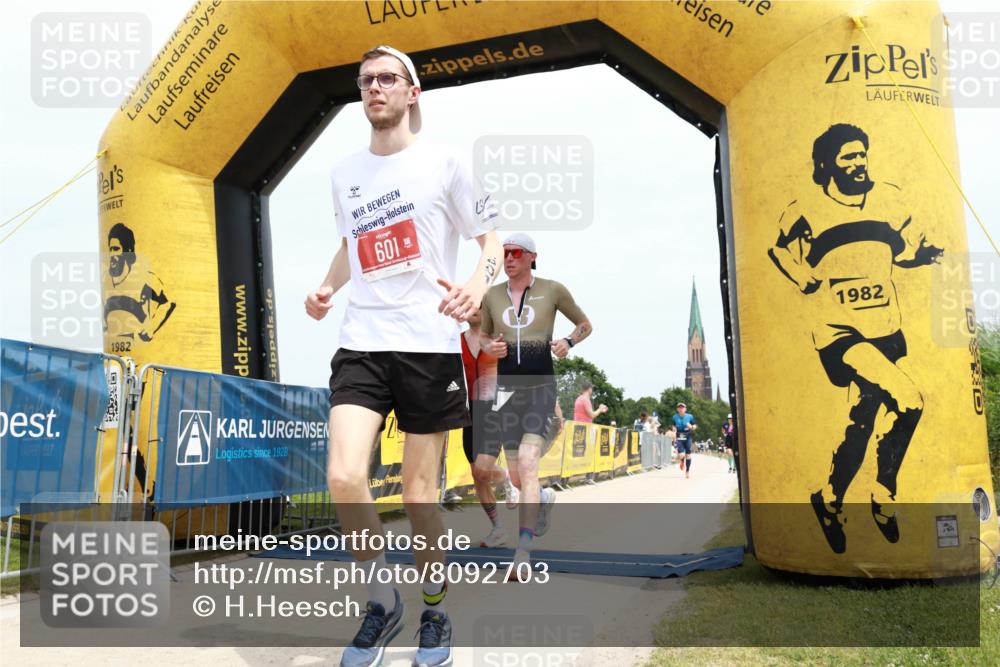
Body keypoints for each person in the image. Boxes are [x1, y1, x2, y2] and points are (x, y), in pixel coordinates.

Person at [305, 45, 502, 667]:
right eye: (365, 81)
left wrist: (476, 285)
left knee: (419, 497)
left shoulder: (446, 163)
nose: (374, 88)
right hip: (362, 339)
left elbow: (490, 241)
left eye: (387, 79)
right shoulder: (344, 172)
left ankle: (436, 609)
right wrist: (327, 287)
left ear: (412, 92)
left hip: (428, 344)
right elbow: (350, 243)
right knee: (343, 476)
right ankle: (382, 600)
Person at [768, 123, 940, 554]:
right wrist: (801, 275)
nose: (858, 162)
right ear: (826, 164)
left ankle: (827, 500)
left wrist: (919, 257)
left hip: (887, 328)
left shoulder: (889, 199)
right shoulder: (806, 206)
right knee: (911, 399)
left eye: (862, 154)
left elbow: (898, 253)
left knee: (860, 425)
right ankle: (884, 496)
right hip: (839, 332)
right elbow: (779, 248)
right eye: (848, 156)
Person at [480, 232, 593, 580]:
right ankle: (542, 495)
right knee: (517, 475)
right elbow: (481, 338)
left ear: (532, 257)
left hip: (540, 388)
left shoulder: (553, 289)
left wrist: (568, 342)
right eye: (505, 253)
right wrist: (489, 347)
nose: (508, 258)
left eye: (515, 253)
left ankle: (523, 551)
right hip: (506, 391)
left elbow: (585, 324)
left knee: (528, 464)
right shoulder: (491, 295)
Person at [460, 308, 519, 548]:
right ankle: (498, 529)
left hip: (495, 409)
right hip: (469, 411)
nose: (471, 310)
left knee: (483, 469)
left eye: (477, 306)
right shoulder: (456, 342)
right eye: (468, 306)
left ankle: (509, 480)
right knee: (477, 475)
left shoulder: (501, 338)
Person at [672, 402, 697, 478]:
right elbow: (673, 425)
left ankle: (687, 471)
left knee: (688, 455)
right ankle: (682, 461)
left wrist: (691, 427)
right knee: (681, 455)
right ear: (677, 409)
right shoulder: (674, 417)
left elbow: (695, 425)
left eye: (682, 407)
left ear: (685, 409)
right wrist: (674, 429)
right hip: (679, 437)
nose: (681, 409)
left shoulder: (690, 416)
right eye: (679, 408)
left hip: (688, 437)